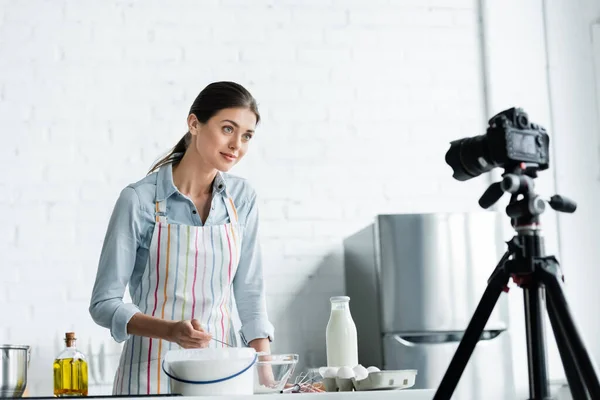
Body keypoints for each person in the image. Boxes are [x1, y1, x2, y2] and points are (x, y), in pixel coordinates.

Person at [89, 81, 275, 395]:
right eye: (227, 129)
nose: (237, 145)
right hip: (149, 377)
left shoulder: (242, 198)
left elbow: (251, 297)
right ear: (194, 123)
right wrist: (172, 331)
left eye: (247, 136)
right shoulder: (139, 200)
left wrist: (269, 381)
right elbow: (103, 304)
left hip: (223, 376)